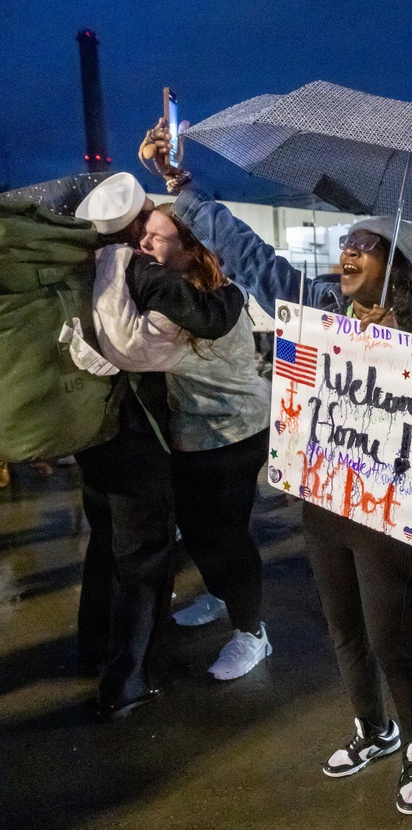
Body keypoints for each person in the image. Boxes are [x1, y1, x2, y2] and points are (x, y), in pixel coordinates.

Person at [143, 119, 412, 814]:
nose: (347, 251)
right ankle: (373, 728)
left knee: (389, 635)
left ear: (394, 262)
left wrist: (404, 336)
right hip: (323, 498)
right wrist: (183, 191)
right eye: (345, 243)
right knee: (342, 628)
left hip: (390, 516)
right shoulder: (316, 310)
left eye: (364, 246)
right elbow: (249, 257)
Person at [73, 173, 246, 717]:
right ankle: (127, 680)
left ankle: (93, 651)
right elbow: (210, 317)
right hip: (132, 434)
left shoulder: (85, 267)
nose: (150, 238)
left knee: (105, 544)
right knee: (143, 558)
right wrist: (234, 289)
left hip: (92, 432)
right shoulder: (135, 267)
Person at [90, 202, 273, 681]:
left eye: (156, 237)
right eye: (142, 236)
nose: (144, 244)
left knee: (227, 535)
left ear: (192, 250)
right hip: (192, 432)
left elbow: (128, 346)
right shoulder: (177, 291)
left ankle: (252, 634)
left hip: (234, 431)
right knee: (195, 530)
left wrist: (110, 263)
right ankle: (219, 593)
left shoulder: (200, 304)